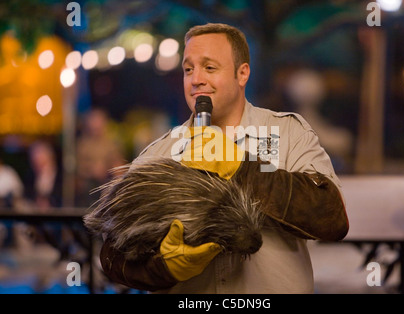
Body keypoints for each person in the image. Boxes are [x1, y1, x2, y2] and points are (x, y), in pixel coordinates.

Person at [98, 23, 349, 293]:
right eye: (188, 69)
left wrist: (241, 167)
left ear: (242, 74)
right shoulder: (159, 154)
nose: (196, 79)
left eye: (209, 67)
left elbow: (331, 218)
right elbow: (114, 256)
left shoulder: (283, 133)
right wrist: (163, 268)